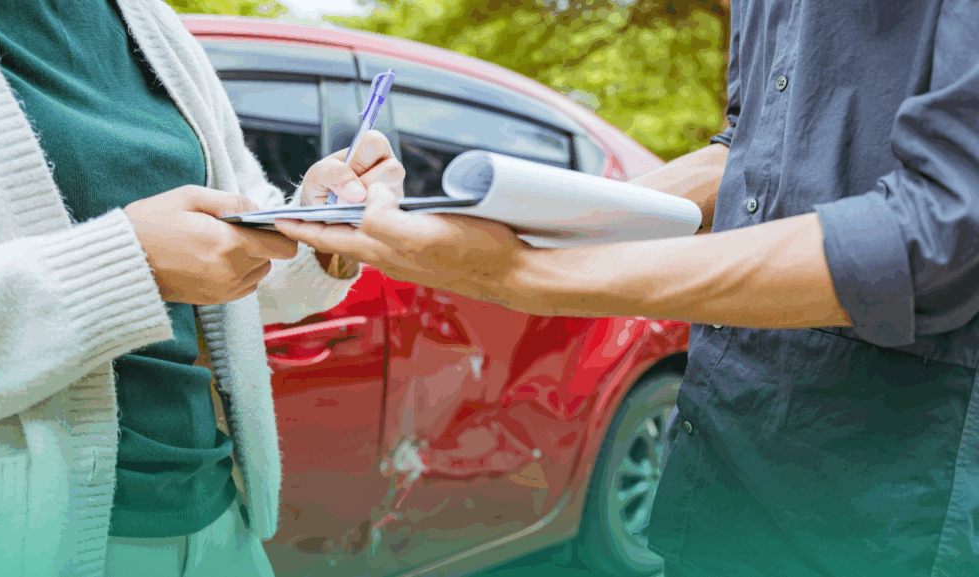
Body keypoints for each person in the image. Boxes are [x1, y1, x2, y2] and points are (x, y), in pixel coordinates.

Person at [277, 1, 979, 576]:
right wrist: (545, 222)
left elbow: (943, 226)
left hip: (882, 492)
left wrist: (530, 275)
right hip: (722, 452)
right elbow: (749, 149)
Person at [0, 0, 404, 575]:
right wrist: (127, 265)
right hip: (11, 545)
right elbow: (154, 260)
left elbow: (232, 253)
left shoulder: (150, 21)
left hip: (217, 520)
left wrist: (323, 228)